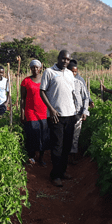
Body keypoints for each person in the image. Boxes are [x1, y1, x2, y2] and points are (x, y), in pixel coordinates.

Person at [40, 50, 77, 187]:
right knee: (57, 146)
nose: (65, 62)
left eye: (67, 60)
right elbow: (42, 91)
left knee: (67, 146)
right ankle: (55, 175)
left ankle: (62, 171)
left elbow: (71, 93)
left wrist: (76, 110)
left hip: (70, 114)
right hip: (56, 116)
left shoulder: (69, 73)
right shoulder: (49, 72)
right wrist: (51, 109)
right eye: (63, 59)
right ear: (58, 58)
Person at [21, 59, 49, 166]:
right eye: (33, 67)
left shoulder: (45, 80)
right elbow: (22, 99)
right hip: (31, 111)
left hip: (43, 111)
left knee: (43, 134)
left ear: (40, 68)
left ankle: (41, 157)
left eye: (37, 67)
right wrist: (22, 113)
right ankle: (32, 156)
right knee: (32, 133)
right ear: (30, 68)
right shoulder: (26, 81)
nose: (35, 69)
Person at [67, 60, 90, 165]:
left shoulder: (80, 81)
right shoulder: (63, 81)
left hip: (78, 112)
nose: (74, 74)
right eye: (72, 71)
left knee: (75, 136)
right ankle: (66, 156)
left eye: (75, 72)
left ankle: (73, 156)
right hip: (66, 113)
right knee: (67, 135)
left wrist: (85, 111)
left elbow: (86, 97)